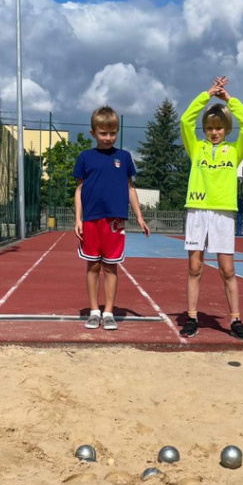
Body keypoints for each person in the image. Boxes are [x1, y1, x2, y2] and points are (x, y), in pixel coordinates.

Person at [180, 76, 243, 340]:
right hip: (197, 210)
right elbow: (185, 121)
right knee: (195, 268)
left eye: (219, 128)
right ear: (204, 129)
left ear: (226, 129)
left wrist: (229, 101)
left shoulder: (234, 151)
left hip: (223, 212)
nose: (214, 132)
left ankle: (235, 320)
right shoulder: (196, 148)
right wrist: (206, 95)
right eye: (210, 128)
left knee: (227, 270)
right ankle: (191, 318)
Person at [74, 106, 150, 330]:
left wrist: (139, 216)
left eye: (112, 133)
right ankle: (93, 311)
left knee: (111, 267)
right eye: (103, 133)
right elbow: (79, 190)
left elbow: (130, 188)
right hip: (91, 219)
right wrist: (78, 218)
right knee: (92, 265)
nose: (108, 137)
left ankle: (108, 312)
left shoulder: (123, 157)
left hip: (115, 221)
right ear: (93, 133)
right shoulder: (85, 157)